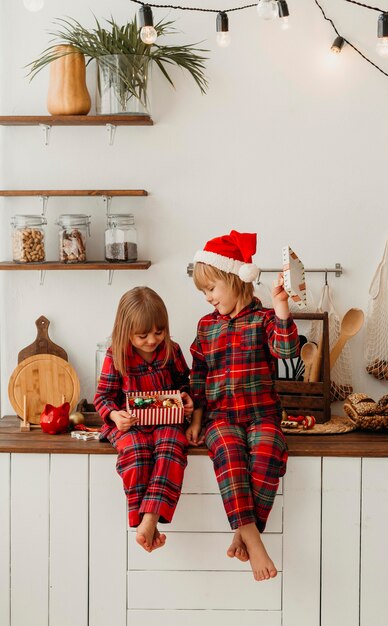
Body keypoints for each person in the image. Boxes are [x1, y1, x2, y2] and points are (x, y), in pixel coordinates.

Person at [186, 230, 299, 582]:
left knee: (268, 450)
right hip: (220, 418)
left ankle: (244, 533)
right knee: (230, 456)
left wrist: (281, 308)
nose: (207, 298)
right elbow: (199, 379)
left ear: (234, 279)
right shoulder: (206, 328)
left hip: (261, 414)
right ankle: (254, 539)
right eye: (203, 292)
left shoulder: (264, 320)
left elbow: (286, 351)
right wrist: (196, 419)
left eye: (211, 289)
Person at [94, 286, 193, 553]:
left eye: (158, 332)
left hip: (166, 422)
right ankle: (148, 521)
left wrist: (186, 398)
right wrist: (115, 415)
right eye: (142, 335)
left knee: (172, 446)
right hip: (129, 425)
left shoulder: (171, 350)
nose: (152, 340)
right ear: (126, 331)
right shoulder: (116, 355)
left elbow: (187, 384)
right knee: (136, 453)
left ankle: (148, 520)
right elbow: (102, 397)